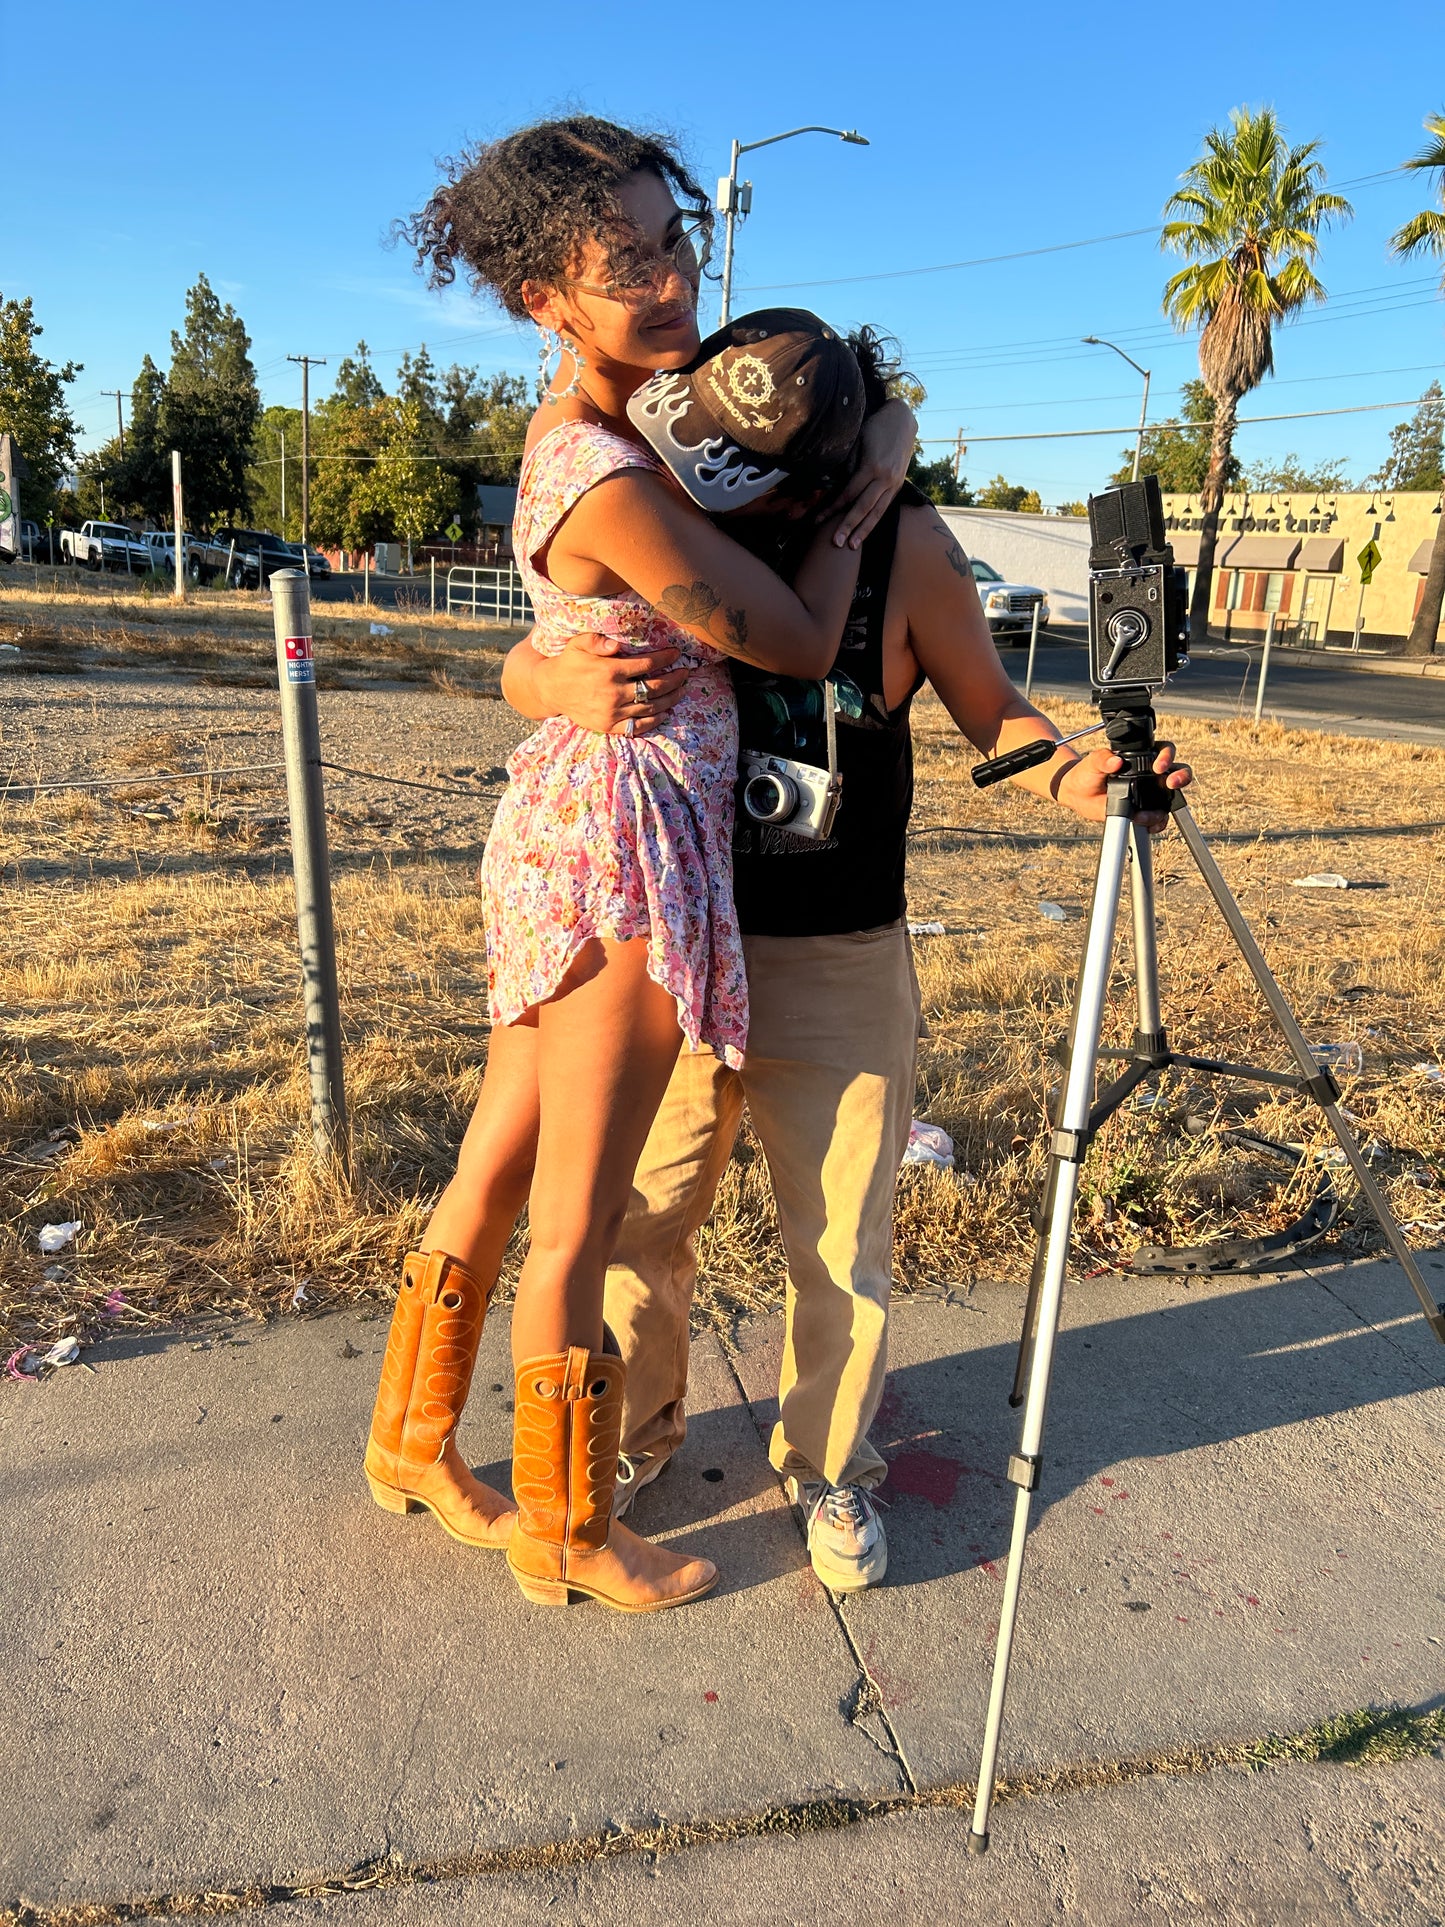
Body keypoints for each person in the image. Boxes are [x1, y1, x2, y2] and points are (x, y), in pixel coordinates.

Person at [503, 332, 1192, 1594]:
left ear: (835, 463)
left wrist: (1078, 770)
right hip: (669, 945)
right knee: (636, 1220)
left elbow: (992, 707)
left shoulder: (906, 542)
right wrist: (541, 677)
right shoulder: (659, 490)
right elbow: (550, 627)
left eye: (778, 473)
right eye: (730, 462)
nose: (749, 491)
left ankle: (830, 1463)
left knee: (837, 1246)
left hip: (836, 952)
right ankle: (638, 1430)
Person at [361, 116, 918, 1617]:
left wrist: (888, 431)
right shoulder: (601, 466)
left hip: (579, 821)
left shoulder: (646, 420)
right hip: (616, 855)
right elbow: (797, 639)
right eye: (629, 265)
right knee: (580, 1216)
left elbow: (820, 399)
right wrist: (863, 517)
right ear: (547, 294)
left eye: (677, 244)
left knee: (495, 1162)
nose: (671, 284)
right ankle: (562, 1528)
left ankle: (410, 1441)